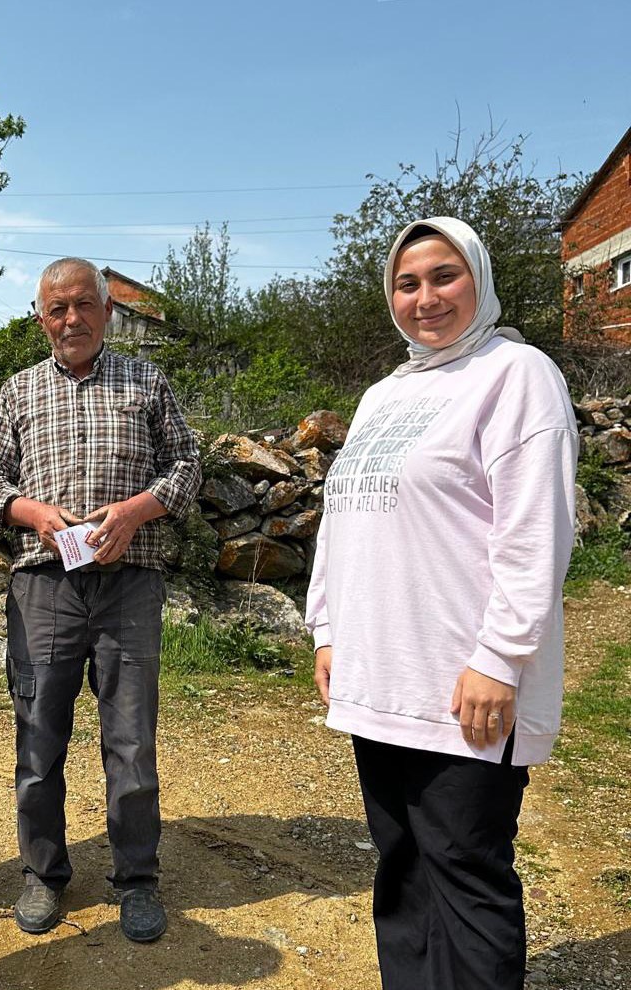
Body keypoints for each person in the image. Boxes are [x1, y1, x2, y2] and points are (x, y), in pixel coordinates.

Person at [305, 216, 578, 990]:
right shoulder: (384, 394)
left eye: (444, 276)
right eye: (407, 282)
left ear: (480, 280)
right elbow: (342, 520)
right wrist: (327, 630)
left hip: (467, 685)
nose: (425, 298)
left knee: (464, 870)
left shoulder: (517, 374)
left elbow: (535, 532)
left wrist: (499, 659)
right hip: (382, 675)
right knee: (401, 869)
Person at [0, 257, 200, 943]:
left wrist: (134, 511)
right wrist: (32, 512)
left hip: (130, 584)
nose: (70, 319)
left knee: (130, 741)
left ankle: (136, 880)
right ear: (40, 317)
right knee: (38, 739)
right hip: (44, 586)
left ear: (106, 311)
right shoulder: (18, 391)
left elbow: (188, 465)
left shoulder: (147, 380)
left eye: (82, 306)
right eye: (56, 308)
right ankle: (43, 874)